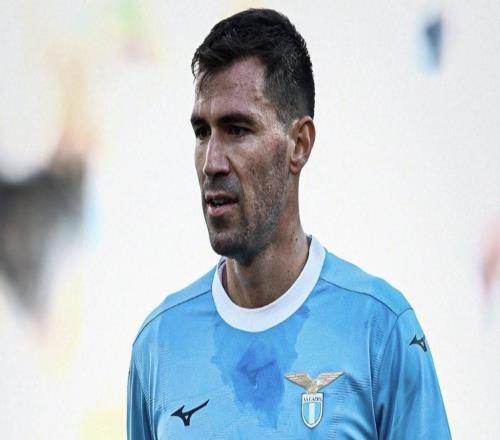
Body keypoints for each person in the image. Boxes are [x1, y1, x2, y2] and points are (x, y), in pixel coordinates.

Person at [127, 8, 451, 439]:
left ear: (299, 144)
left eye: (237, 129)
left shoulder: (382, 330)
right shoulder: (159, 345)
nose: (211, 162)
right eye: (202, 132)